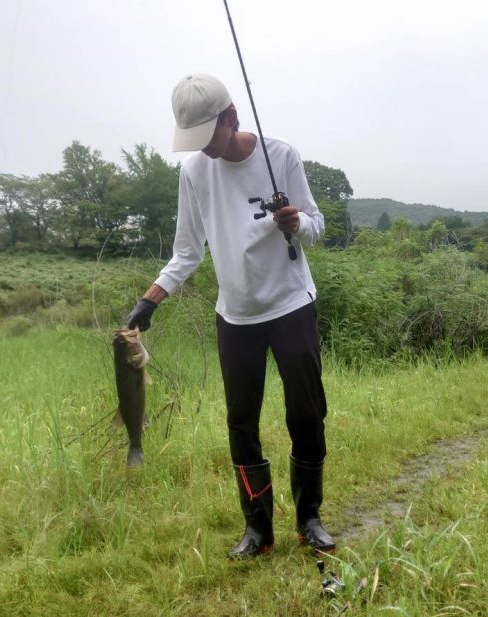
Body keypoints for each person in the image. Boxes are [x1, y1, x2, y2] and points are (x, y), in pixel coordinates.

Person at [125, 73, 335, 558]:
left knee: (307, 413)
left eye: (209, 136)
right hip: (236, 316)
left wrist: (297, 222)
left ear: (232, 118)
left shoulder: (281, 156)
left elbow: (317, 225)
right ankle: (258, 530)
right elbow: (187, 251)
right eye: (194, 140)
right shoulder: (194, 172)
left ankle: (310, 519)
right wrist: (149, 301)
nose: (204, 148)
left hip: (291, 304)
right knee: (241, 422)